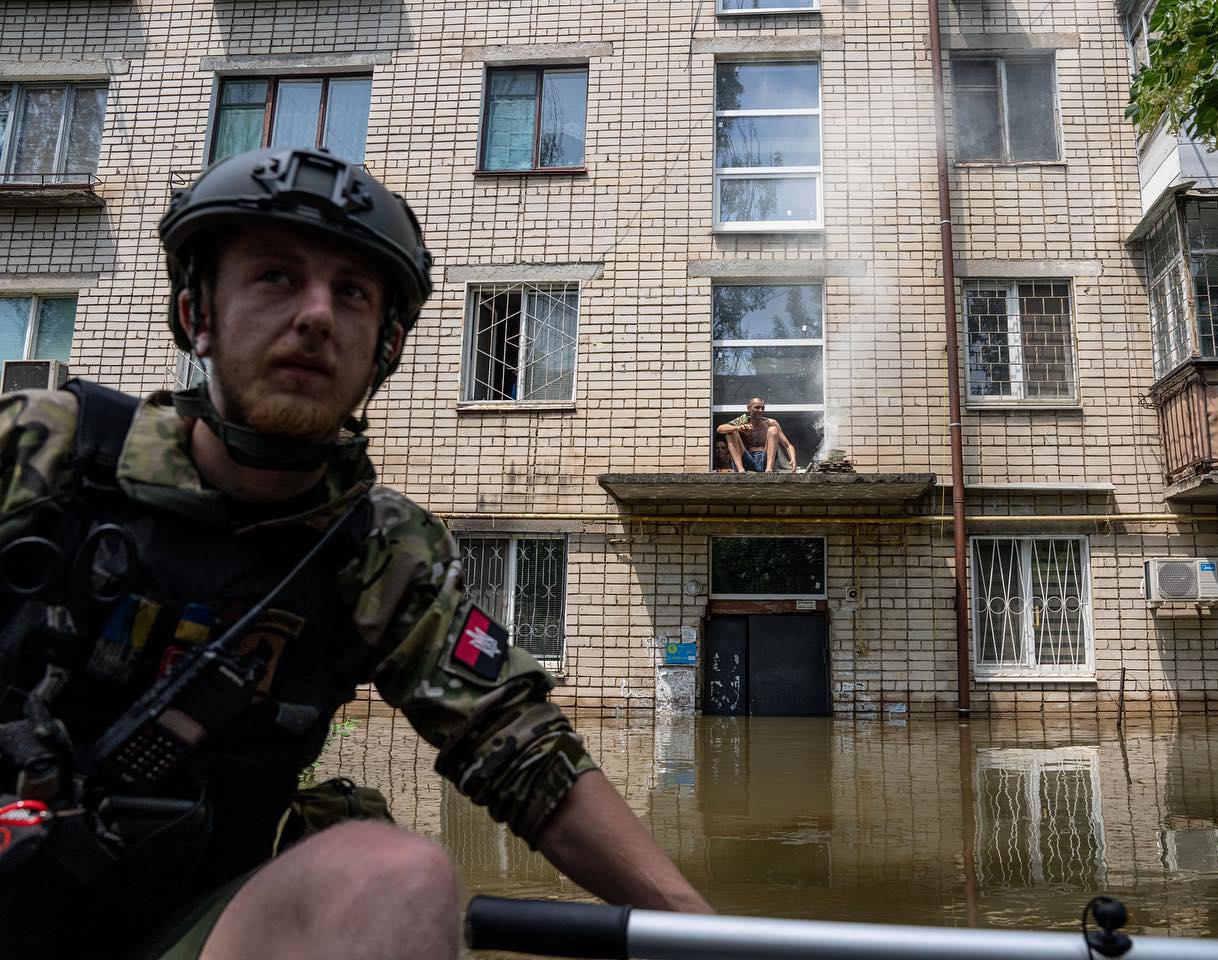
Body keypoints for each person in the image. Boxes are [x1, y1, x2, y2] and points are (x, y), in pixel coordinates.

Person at [0, 146, 709, 960]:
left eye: (352, 293)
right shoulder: (41, 447)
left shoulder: (383, 551)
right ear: (198, 314)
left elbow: (518, 745)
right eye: (274, 277)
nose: (315, 315)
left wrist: (696, 931)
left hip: (199, 931)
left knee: (387, 872)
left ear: (384, 348)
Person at [716, 396, 798, 473]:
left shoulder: (770, 422)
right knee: (731, 432)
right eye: (757, 407)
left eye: (763, 408)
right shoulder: (743, 420)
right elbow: (720, 429)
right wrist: (738, 428)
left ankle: (769, 470)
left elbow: (788, 445)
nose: (760, 410)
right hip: (747, 459)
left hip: (765, 459)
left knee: (773, 430)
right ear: (748, 408)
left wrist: (793, 459)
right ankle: (741, 471)